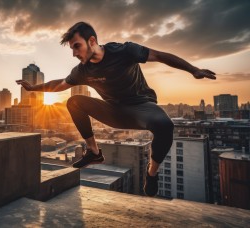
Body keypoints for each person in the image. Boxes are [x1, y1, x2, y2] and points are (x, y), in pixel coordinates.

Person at [16, 22, 216, 197]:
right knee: (74, 101)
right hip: (113, 111)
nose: (75, 53)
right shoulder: (82, 71)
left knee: (165, 125)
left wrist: (193, 70)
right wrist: (33, 88)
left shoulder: (124, 51)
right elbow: (59, 85)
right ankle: (93, 152)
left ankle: (152, 173)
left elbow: (159, 56)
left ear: (92, 41)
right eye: (72, 49)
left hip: (141, 107)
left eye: (77, 46)